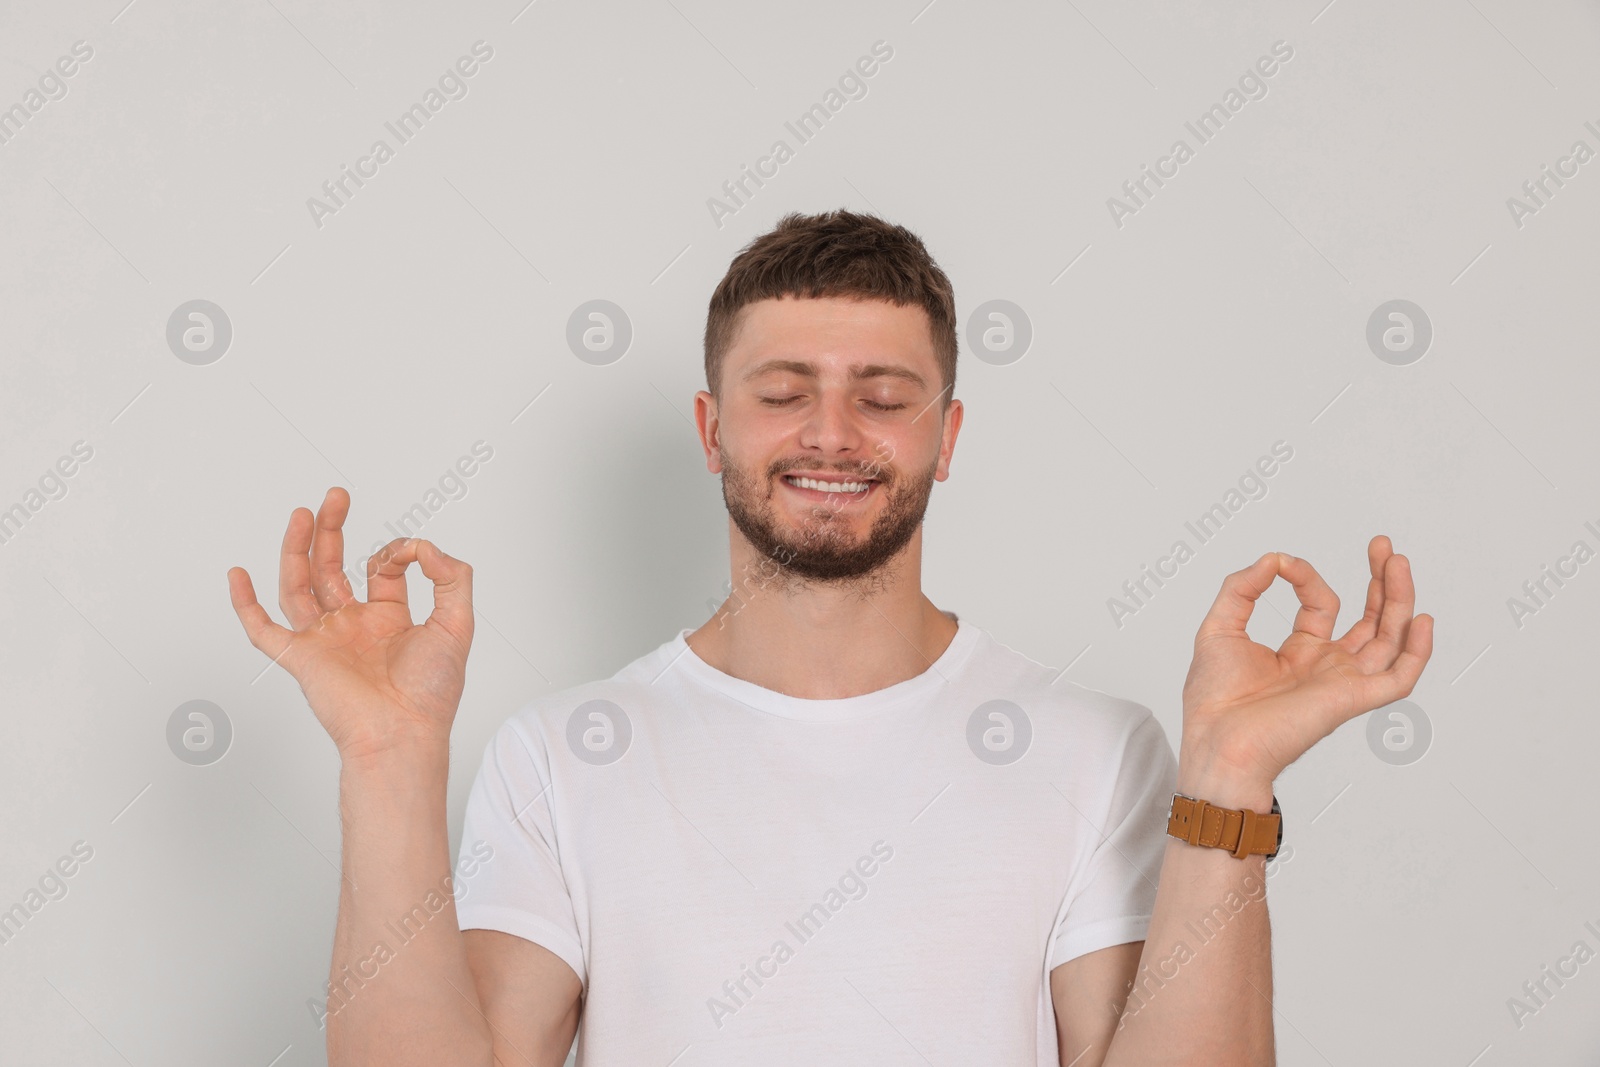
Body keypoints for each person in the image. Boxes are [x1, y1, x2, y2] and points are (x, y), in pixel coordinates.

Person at [227, 209, 1433, 1066]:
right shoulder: (562, 752)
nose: (831, 429)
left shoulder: (1095, 752)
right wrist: (387, 758)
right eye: (781, 388)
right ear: (711, 428)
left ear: (946, 434)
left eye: (883, 393)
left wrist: (1228, 778)